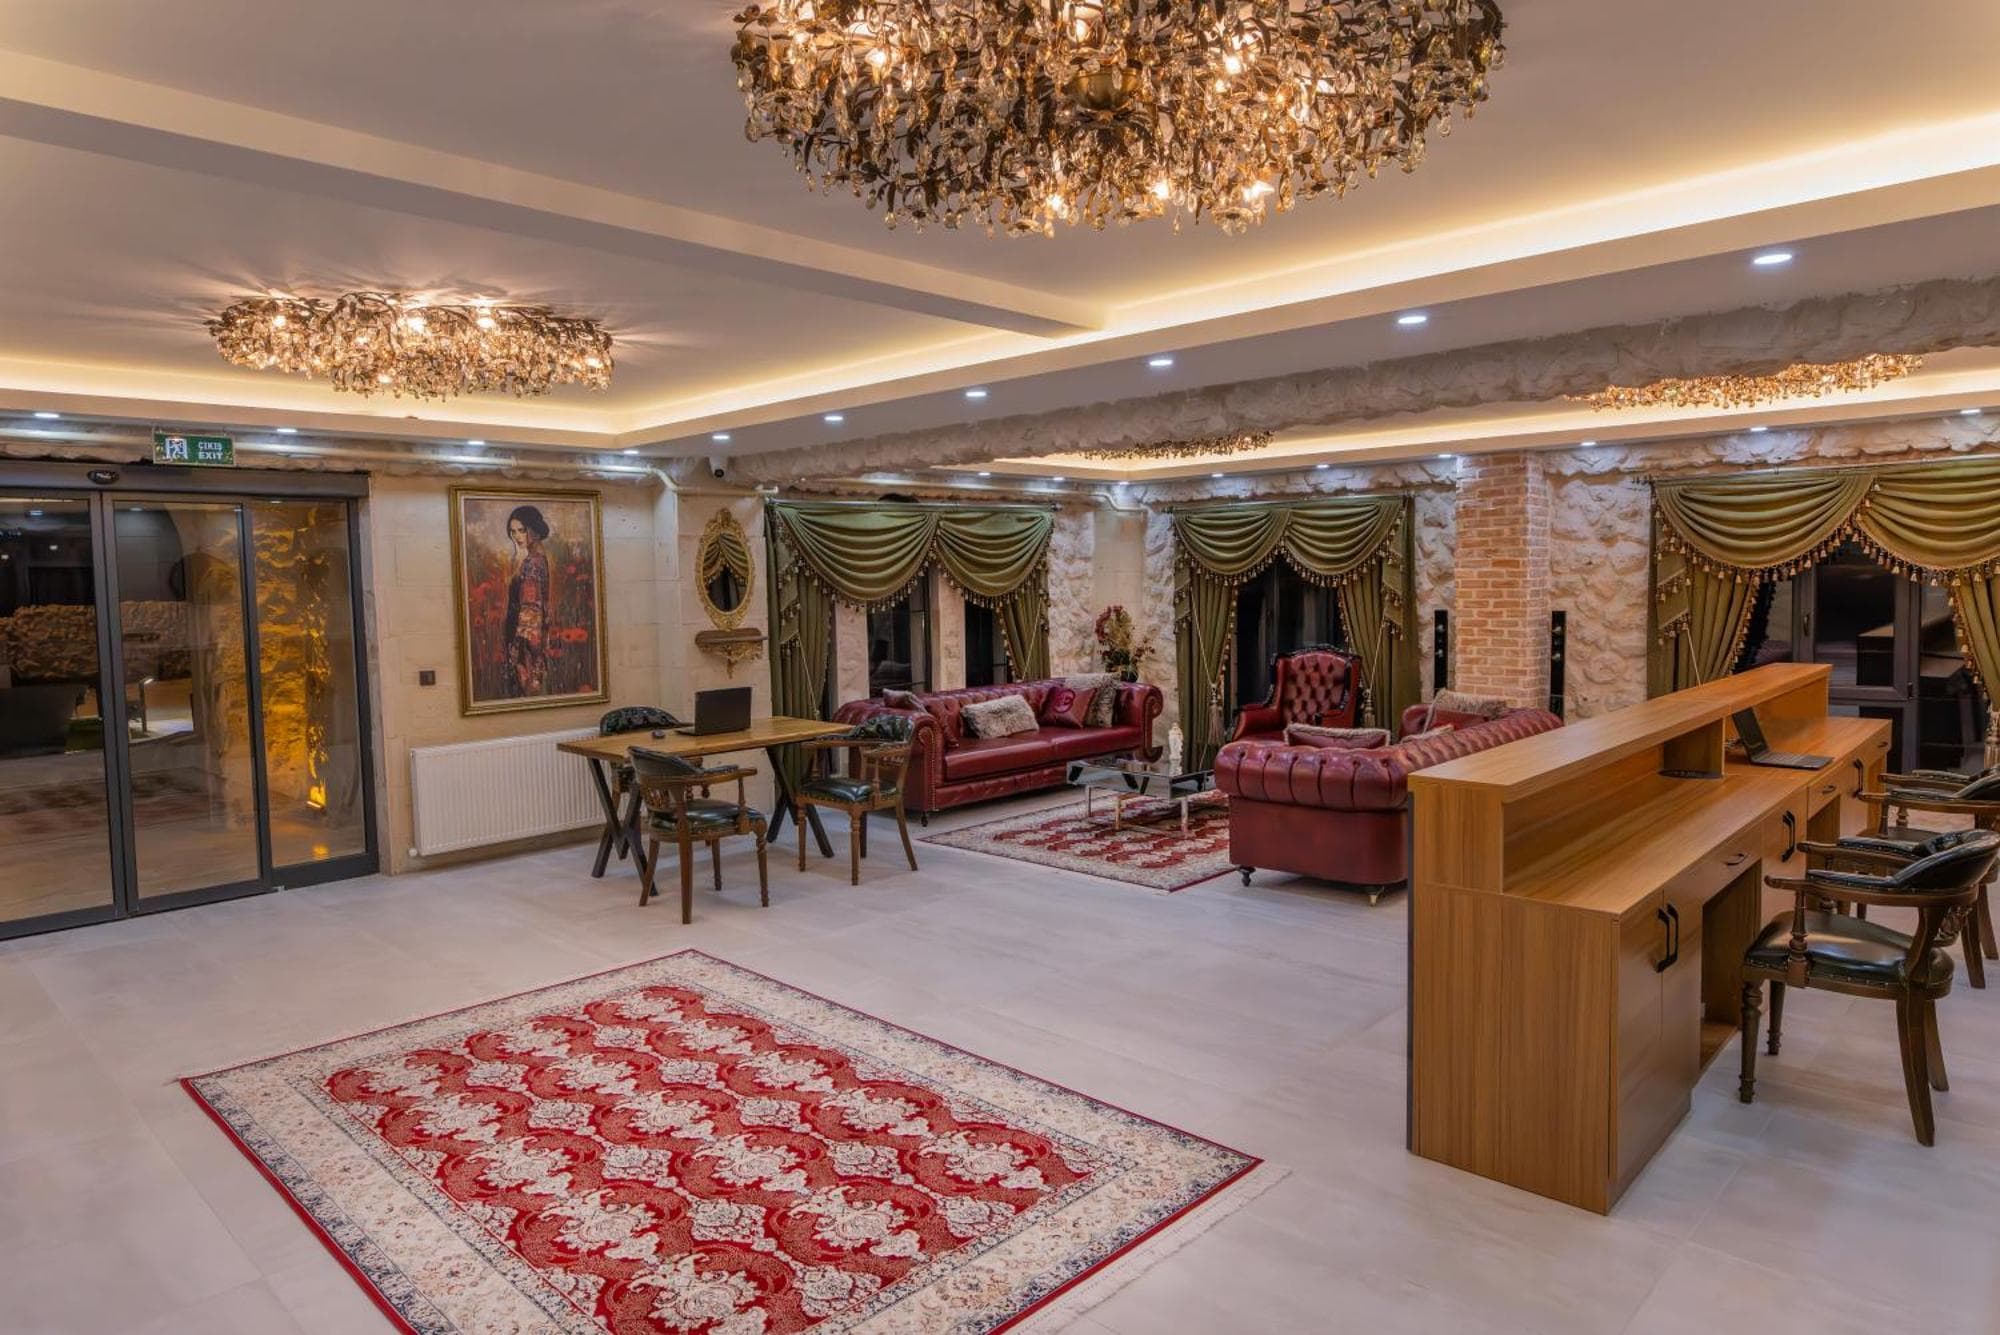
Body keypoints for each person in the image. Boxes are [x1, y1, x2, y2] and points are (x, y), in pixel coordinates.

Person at [504, 505, 551, 696]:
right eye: (513, 531)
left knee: (528, 689)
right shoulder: (533, 559)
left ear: (534, 531)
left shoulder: (532, 562)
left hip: (527, 639)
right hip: (526, 636)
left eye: (521, 530)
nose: (517, 536)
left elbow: (531, 608)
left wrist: (525, 646)